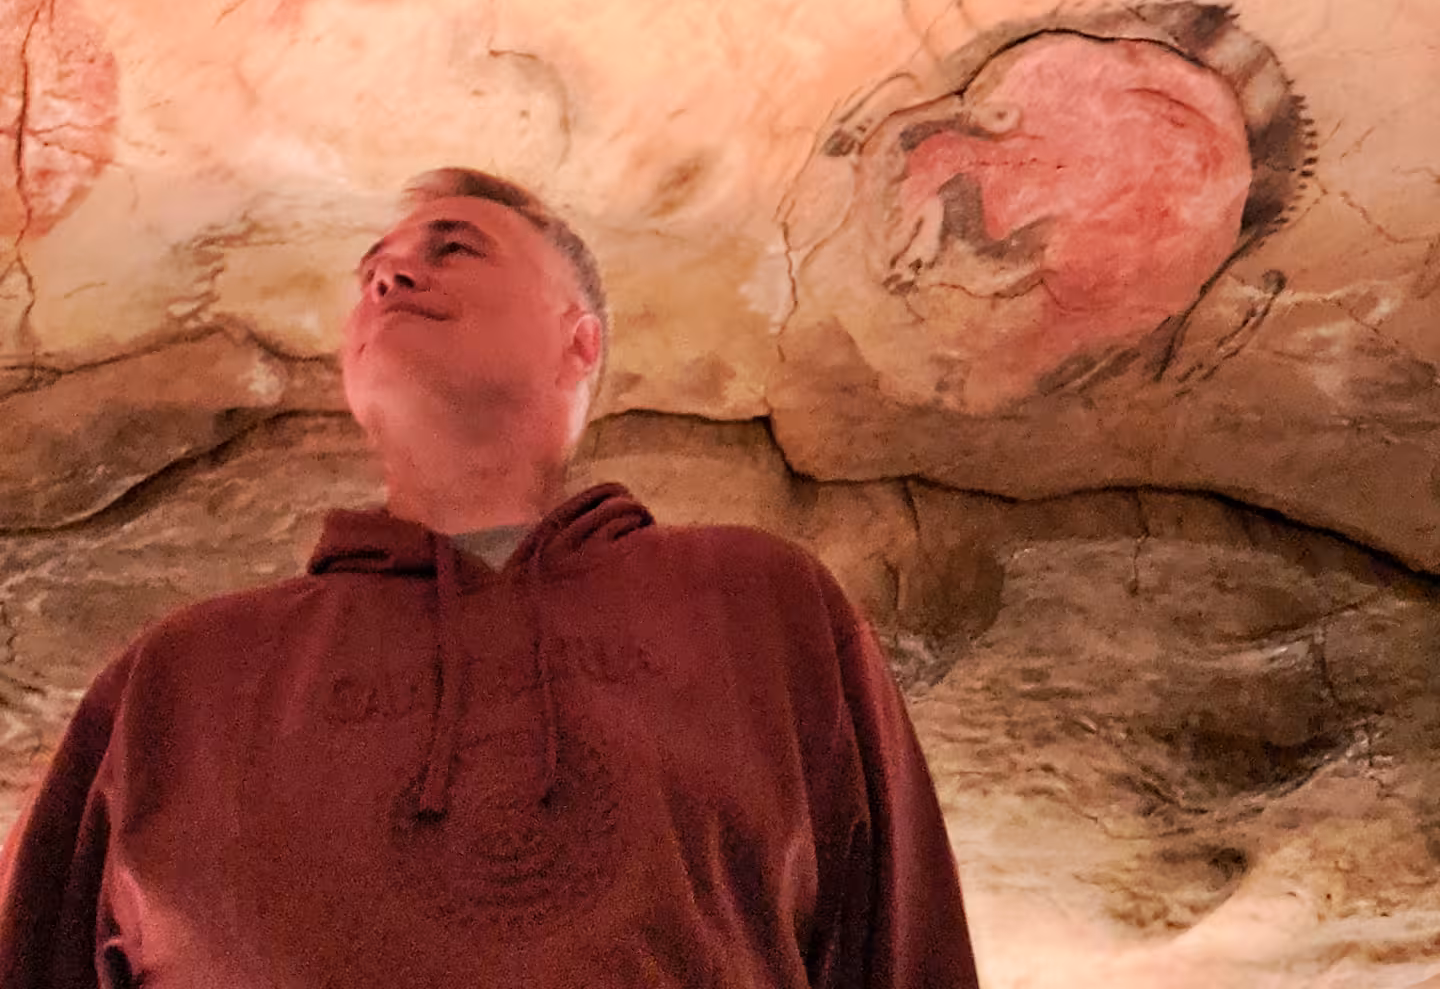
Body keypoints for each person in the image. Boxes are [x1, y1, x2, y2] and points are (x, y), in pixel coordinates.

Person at [0, 166, 982, 987]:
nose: (390, 278)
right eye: (373, 270)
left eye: (452, 247)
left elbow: (904, 946)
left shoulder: (760, 606)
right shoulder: (183, 673)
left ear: (579, 341)